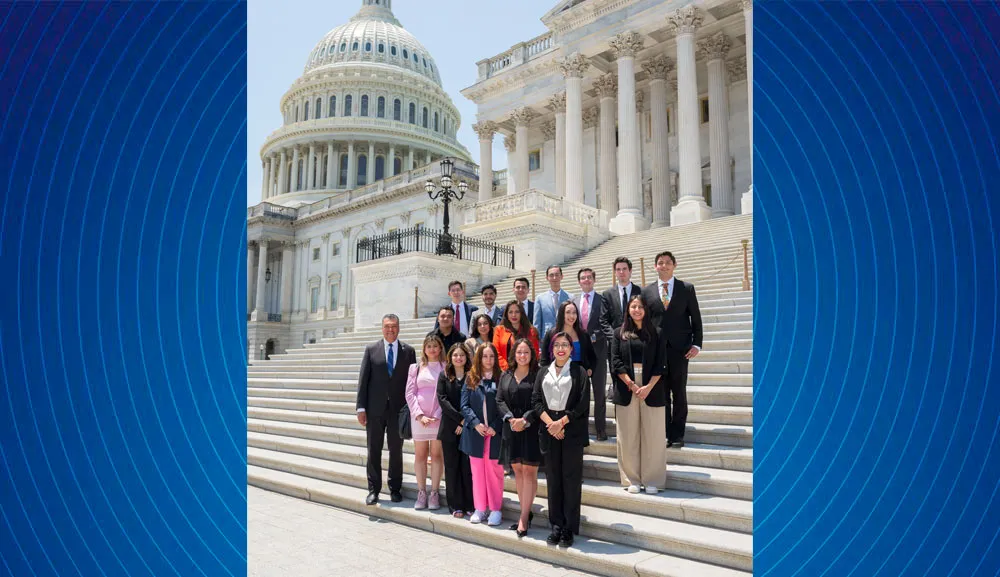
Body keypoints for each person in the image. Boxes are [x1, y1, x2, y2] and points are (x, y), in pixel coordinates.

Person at [532, 332, 590, 547]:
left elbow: (582, 403)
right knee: (554, 479)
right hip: (549, 429)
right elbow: (536, 400)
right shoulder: (543, 372)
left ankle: (568, 528)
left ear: (571, 349)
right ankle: (556, 526)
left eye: (565, 344)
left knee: (571, 480)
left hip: (570, 429)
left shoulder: (579, 371)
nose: (561, 348)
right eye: (557, 344)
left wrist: (562, 422)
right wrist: (551, 424)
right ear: (552, 349)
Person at [642, 251, 703, 448]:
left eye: (668, 262)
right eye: (660, 263)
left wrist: (696, 344)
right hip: (657, 350)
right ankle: (665, 433)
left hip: (680, 350)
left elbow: (696, 318)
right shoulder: (647, 292)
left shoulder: (686, 288)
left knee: (679, 393)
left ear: (674, 265)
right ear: (655, 266)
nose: (664, 266)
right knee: (661, 392)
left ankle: (677, 434)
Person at [356, 314, 416, 505]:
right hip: (375, 409)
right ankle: (373, 489)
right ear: (382, 328)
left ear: (399, 328)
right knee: (373, 449)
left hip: (398, 410)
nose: (391, 330)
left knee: (396, 450)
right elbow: (363, 380)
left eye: (394, 326)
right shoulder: (371, 349)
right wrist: (360, 407)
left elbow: (412, 382)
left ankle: (395, 488)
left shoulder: (409, 351)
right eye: (387, 326)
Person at [610, 296, 667, 494]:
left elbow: (661, 363)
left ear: (646, 310)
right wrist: (632, 385)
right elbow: (615, 362)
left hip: (653, 385)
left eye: (640, 307)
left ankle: (653, 480)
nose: (636, 310)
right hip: (627, 385)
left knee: (654, 435)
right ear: (628, 310)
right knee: (627, 436)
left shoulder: (657, 333)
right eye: (633, 306)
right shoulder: (619, 333)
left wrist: (648, 387)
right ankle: (631, 479)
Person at [496, 338, 541, 537]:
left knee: (530, 472)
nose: (522, 356)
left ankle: (523, 517)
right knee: (518, 471)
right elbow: (499, 400)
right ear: (514, 354)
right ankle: (526, 510)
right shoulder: (505, 375)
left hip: (531, 428)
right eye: (519, 352)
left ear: (532, 355)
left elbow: (541, 401)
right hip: (511, 428)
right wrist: (510, 419)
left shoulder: (538, 374)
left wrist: (525, 419)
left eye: (526, 353)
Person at [459, 343, 505, 526]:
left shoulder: (501, 378)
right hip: (476, 433)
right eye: (485, 356)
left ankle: (495, 508)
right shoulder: (471, 378)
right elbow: (464, 405)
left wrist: (495, 426)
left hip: (494, 433)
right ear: (479, 358)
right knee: (477, 471)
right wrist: (476, 423)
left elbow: (504, 405)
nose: (488, 360)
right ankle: (480, 507)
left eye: (491, 356)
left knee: (494, 471)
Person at [405, 334, 446, 509]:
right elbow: (410, 393)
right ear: (424, 349)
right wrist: (419, 415)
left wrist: (437, 413)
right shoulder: (415, 367)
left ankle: (434, 493)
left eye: (435, 346)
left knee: (437, 455)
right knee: (420, 455)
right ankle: (422, 492)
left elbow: (447, 393)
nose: (432, 349)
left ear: (440, 348)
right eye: (428, 346)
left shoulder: (446, 367)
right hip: (419, 419)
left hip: (438, 417)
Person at [436, 343, 475, 518]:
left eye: (462, 355)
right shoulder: (444, 376)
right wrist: (459, 419)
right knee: (452, 466)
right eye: (455, 355)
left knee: (466, 467)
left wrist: (464, 422)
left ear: (466, 358)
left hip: (468, 428)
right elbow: (442, 400)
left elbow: (473, 402)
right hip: (449, 428)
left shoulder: (472, 376)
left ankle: (469, 503)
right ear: (450, 357)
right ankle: (455, 504)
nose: (458, 358)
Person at [575, 267, 609, 441]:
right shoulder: (573, 301)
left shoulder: (603, 300)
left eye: (589, 277)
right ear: (579, 281)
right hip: (579, 355)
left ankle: (600, 428)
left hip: (598, 353)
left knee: (599, 393)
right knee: (580, 394)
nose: (586, 280)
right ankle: (581, 429)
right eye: (583, 278)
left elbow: (607, 324)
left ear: (594, 280)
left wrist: (595, 336)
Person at [539, 301, 596, 374]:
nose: (572, 316)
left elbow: (592, 356)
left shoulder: (583, 334)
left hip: (579, 375)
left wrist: (590, 369)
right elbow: (544, 360)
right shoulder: (551, 334)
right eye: (568, 312)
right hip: (558, 375)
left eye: (574, 312)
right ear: (562, 314)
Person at [493, 300, 540, 371]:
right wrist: (507, 368)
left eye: (517, 312)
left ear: (521, 314)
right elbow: (496, 352)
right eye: (510, 312)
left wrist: (523, 368)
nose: (514, 315)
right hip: (505, 371)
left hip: (527, 371)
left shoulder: (531, 331)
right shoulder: (499, 330)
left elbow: (535, 353)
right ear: (506, 314)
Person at [533, 265, 572, 338]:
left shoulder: (571, 298)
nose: (554, 278)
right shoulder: (540, 299)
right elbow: (537, 324)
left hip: (566, 338)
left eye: (557, 275)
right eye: (551, 275)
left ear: (562, 276)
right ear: (547, 278)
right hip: (546, 339)